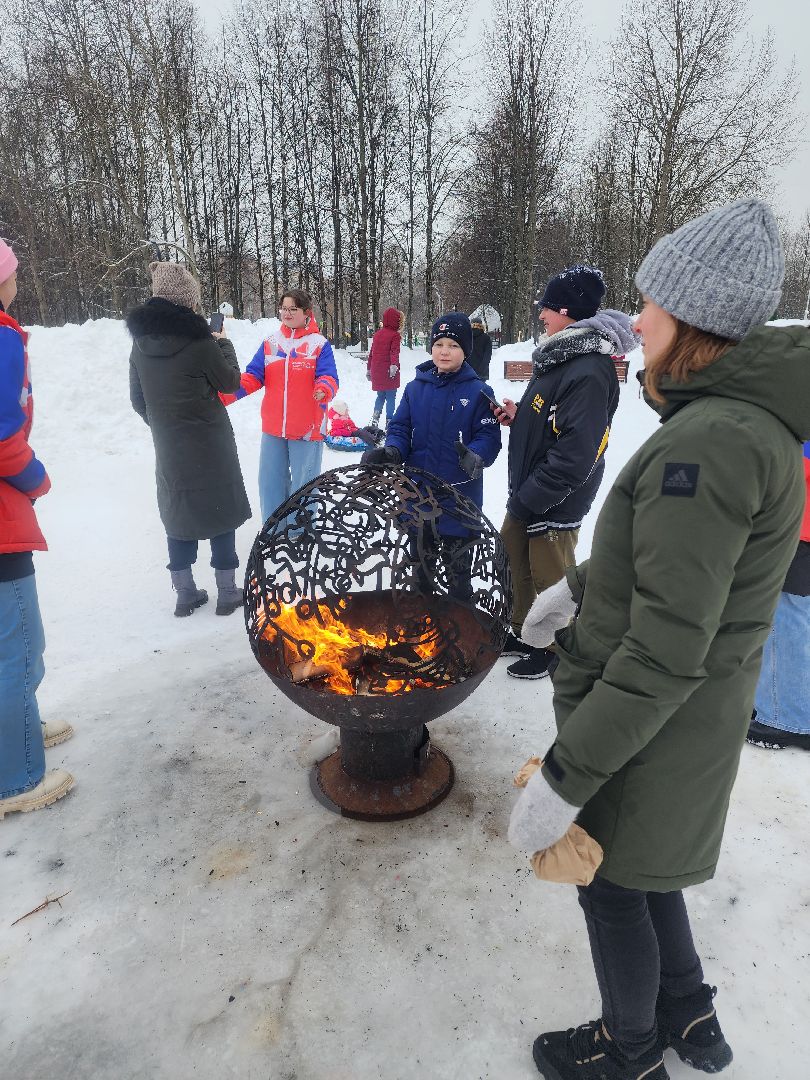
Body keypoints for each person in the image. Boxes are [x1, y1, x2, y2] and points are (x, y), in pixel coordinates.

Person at [509, 199, 809, 1080]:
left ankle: (627, 1048)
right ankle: (688, 1012)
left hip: (650, 727)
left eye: (652, 304)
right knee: (649, 872)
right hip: (686, 723)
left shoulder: (712, 442)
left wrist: (566, 778)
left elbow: (669, 644)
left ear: (696, 320)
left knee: (611, 883)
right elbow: (671, 566)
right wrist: (579, 586)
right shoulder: (740, 427)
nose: (637, 320)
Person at [493, 266, 635, 678]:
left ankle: (556, 647)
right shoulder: (561, 358)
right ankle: (524, 631)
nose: (541, 315)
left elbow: (577, 450)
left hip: (556, 493)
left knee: (549, 573)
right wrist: (520, 418)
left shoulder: (588, 368)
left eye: (547, 309)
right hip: (532, 487)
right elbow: (553, 420)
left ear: (567, 312)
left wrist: (534, 494)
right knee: (514, 556)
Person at [128, 262, 251, 617]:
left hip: (169, 447)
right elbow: (230, 382)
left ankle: (185, 594)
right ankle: (227, 594)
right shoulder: (200, 342)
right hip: (211, 443)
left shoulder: (140, 344)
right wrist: (223, 344)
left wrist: (164, 425)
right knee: (221, 513)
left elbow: (138, 400)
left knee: (178, 513)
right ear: (188, 301)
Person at [0, 238, 75, 819]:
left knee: (16, 644)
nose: (17, 279)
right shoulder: (1, 339)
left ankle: (19, 726)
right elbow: (3, 437)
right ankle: (18, 774)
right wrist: (36, 479)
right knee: (17, 648)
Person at [361, 312, 501, 600]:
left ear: (465, 351)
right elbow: (400, 426)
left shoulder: (479, 392)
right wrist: (393, 450)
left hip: (458, 502)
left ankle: (458, 627)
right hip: (419, 498)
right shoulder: (415, 389)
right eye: (439, 344)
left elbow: (488, 436)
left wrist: (476, 455)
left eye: (453, 345)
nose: (445, 351)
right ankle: (421, 626)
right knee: (420, 573)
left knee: (458, 578)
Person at [222, 289, 338, 522]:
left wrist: (323, 388)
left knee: (303, 484)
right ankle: (273, 528)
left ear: (306, 313)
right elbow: (253, 377)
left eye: (293, 309)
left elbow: (330, 377)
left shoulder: (319, 344)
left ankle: (298, 529)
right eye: (284, 308)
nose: (287, 313)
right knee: (270, 480)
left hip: (307, 428)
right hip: (274, 427)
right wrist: (224, 395)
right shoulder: (271, 343)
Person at [747, 438, 810, 750]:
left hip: (802, 530)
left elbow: (796, 465)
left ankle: (787, 718)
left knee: (787, 619)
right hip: (800, 527)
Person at [366, 307, 403, 428]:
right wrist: (393, 366)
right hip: (389, 371)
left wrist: (369, 369)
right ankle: (389, 421)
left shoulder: (377, 334)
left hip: (377, 370)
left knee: (380, 396)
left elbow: (372, 353)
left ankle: (375, 420)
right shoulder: (395, 335)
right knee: (391, 397)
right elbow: (394, 352)